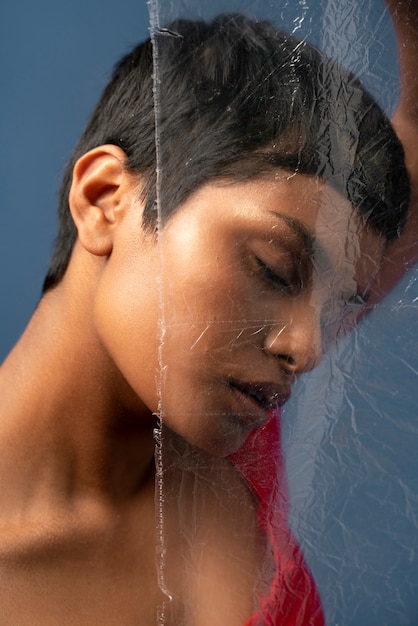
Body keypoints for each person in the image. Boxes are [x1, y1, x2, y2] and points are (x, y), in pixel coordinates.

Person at [0, 9, 414, 626]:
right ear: (105, 199)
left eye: (335, 311)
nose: (308, 348)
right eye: (274, 268)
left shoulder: (215, 402)